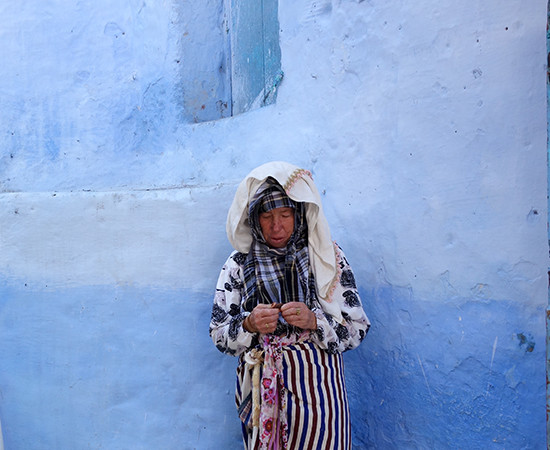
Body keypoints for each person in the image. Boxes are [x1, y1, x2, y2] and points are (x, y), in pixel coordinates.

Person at [209, 161, 370, 449]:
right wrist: (248, 324)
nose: (277, 226)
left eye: (285, 214)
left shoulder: (325, 258)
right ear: (254, 220)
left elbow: (357, 328)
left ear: (299, 214)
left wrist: (314, 321)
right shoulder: (237, 265)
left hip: (321, 397)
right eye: (267, 216)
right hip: (262, 393)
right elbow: (219, 335)